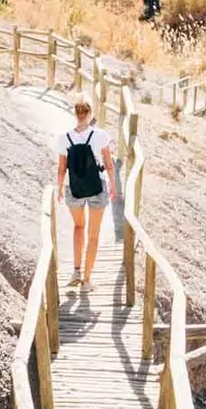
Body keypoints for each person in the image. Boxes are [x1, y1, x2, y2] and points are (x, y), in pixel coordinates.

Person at [55, 97, 118, 292]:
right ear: (90, 114)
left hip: (73, 189)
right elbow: (108, 164)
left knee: (78, 227)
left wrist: (59, 188)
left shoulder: (64, 138)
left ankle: (76, 271)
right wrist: (113, 185)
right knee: (93, 234)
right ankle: (87, 280)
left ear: (75, 114)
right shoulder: (100, 135)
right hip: (97, 188)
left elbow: (61, 169)